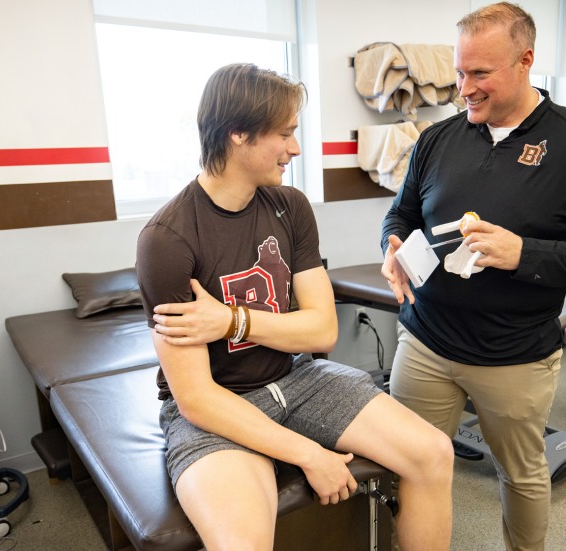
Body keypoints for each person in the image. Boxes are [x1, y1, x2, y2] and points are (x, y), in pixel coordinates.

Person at [136, 63, 453, 551]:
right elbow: (196, 396)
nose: (296, 148)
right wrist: (310, 454)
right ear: (238, 133)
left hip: (298, 379)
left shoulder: (290, 206)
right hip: (219, 407)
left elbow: (322, 330)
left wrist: (231, 320)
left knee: (433, 453)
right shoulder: (167, 239)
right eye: (285, 133)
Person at [380, 3, 566, 551]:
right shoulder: (437, 140)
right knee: (406, 467)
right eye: (459, 72)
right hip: (426, 341)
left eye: (480, 74)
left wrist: (524, 252)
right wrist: (392, 245)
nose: (464, 89)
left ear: (526, 61)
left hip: (514, 354)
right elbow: (402, 213)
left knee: (521, 476)